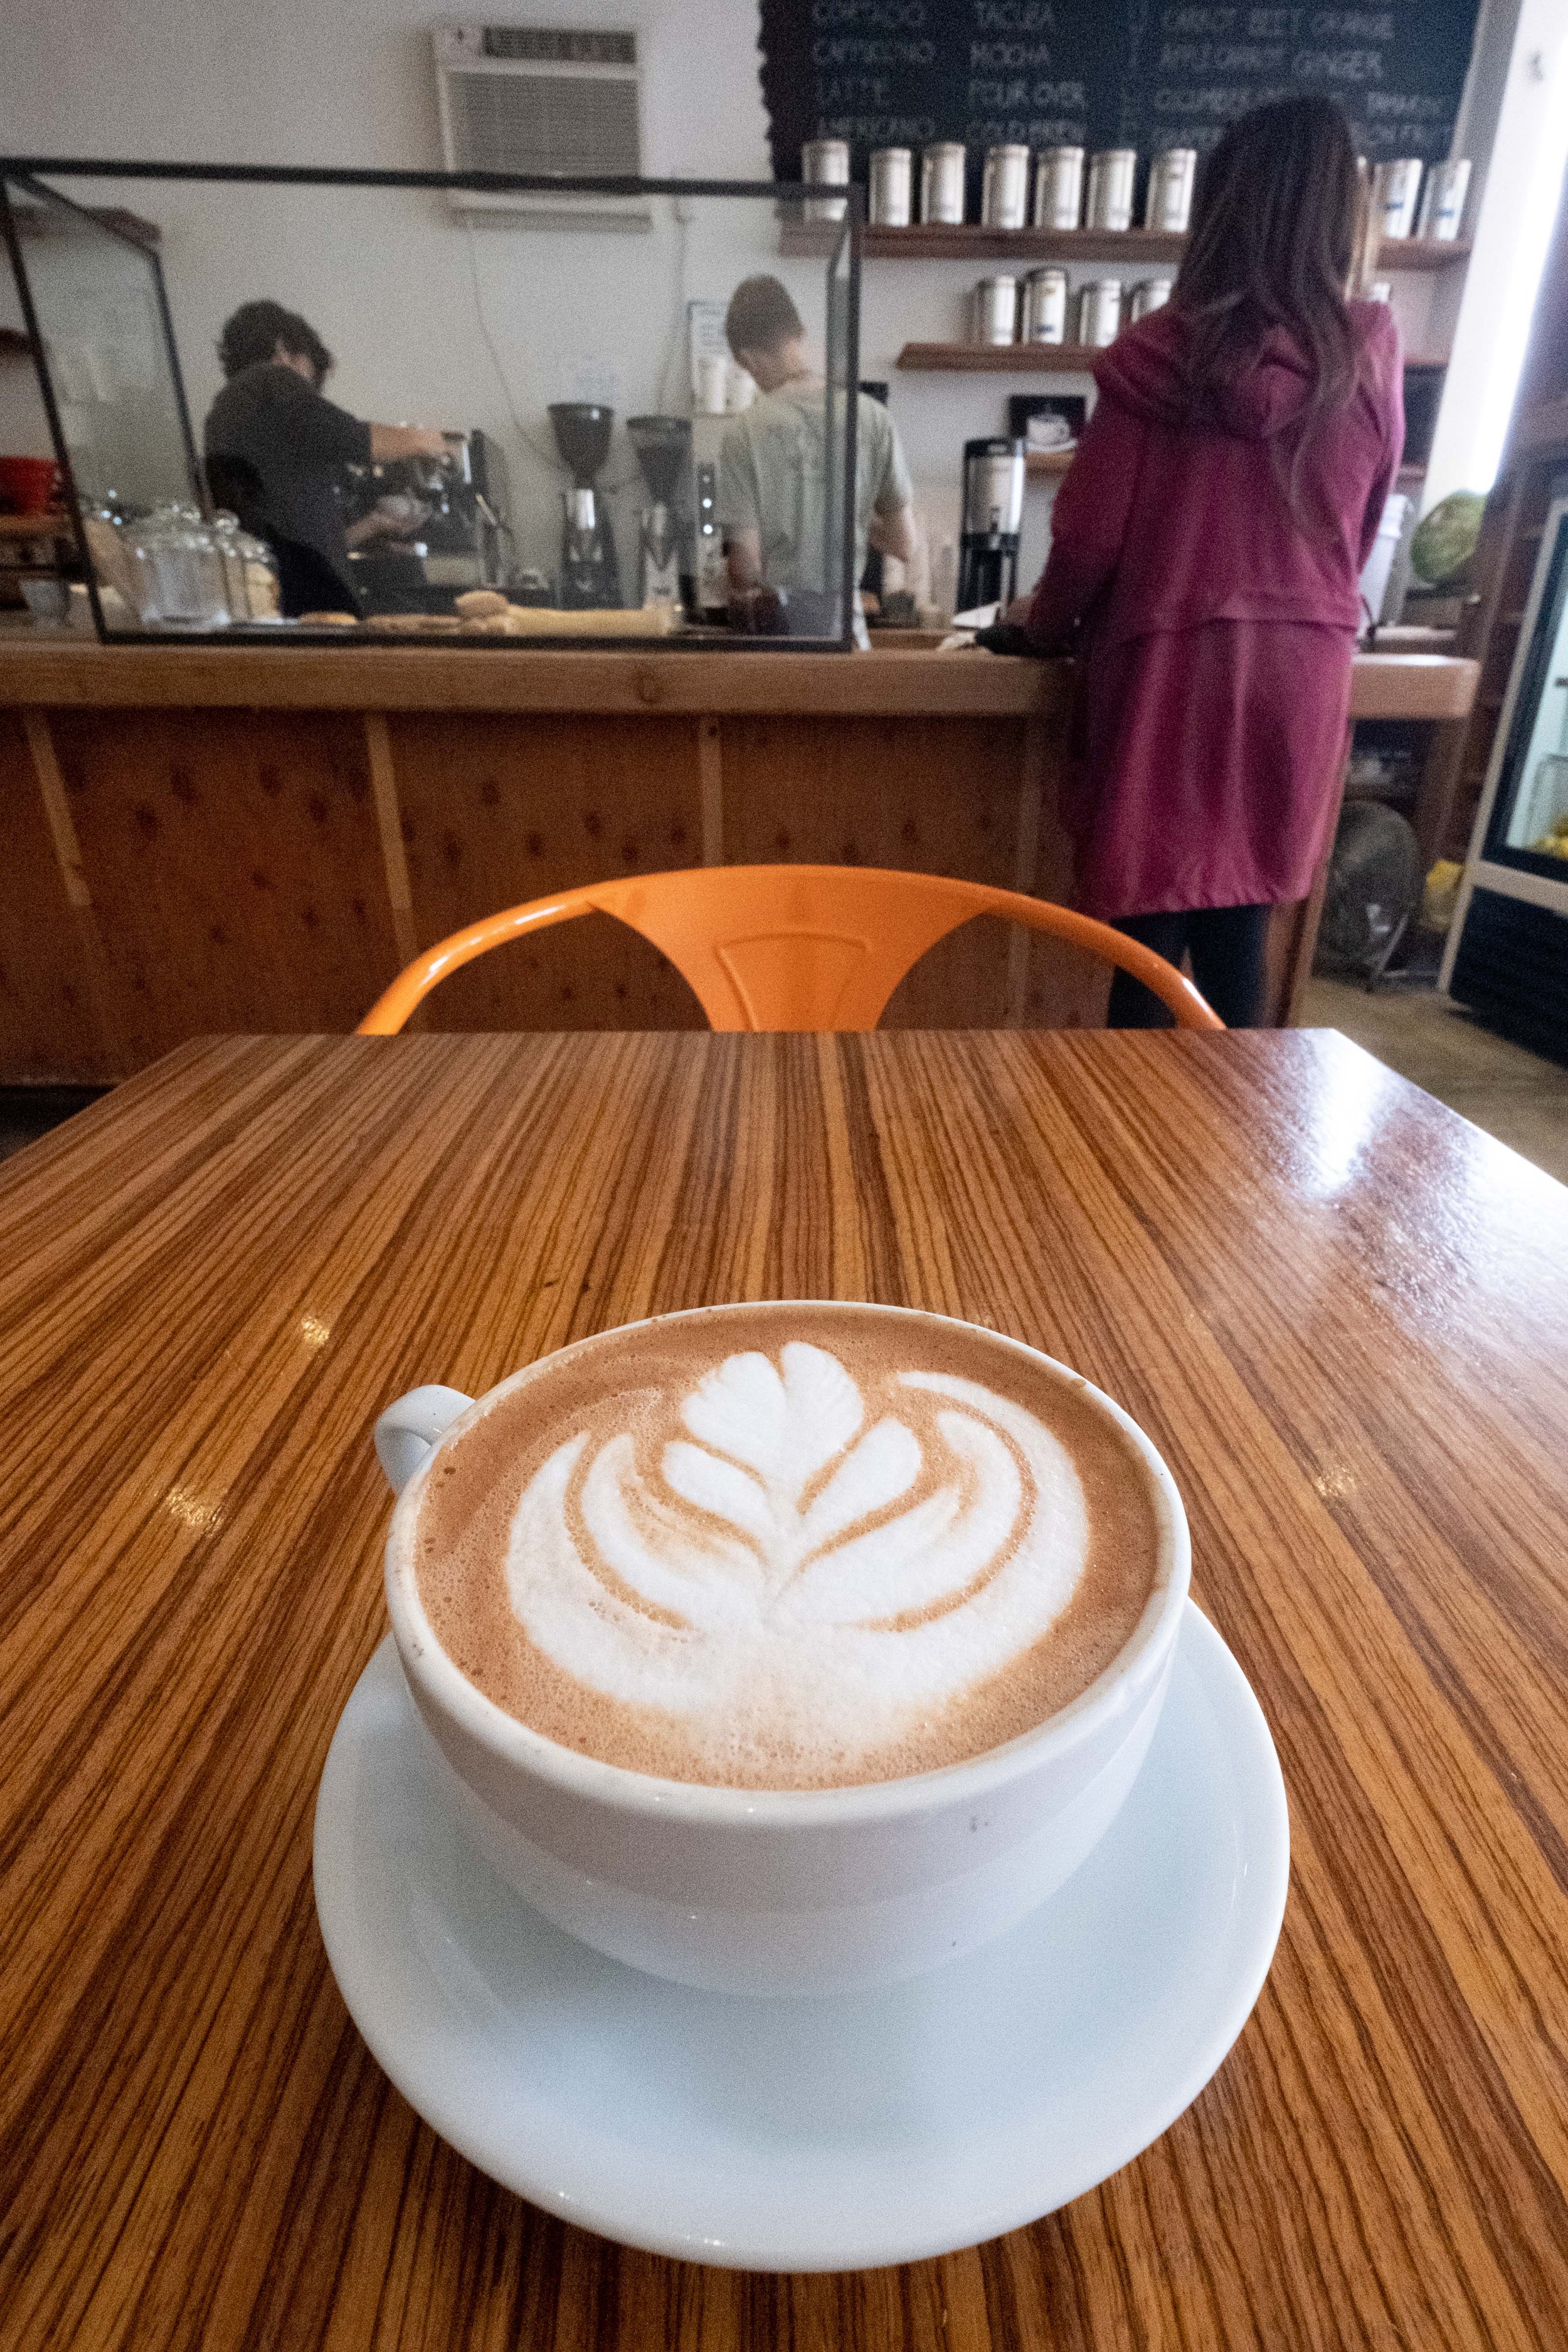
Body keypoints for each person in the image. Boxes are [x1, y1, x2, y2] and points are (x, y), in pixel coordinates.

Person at [1011, 97, 1403, 1026]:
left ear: (1217, 211)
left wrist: (1039, 628)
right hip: (1303, 675)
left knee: (1143, 949)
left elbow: (1091, 543)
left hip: (1171, 677)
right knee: (1241, 936)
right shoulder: (1367, 355)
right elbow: (1365, 523)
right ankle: (1236, 1162)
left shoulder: (1154, 360)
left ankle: (1126, 1160)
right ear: (1338, 211)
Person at [203, 301, 448, 615]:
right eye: (312, 374)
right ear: (283, 351)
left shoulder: (227, 413)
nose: (313, 393)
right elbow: (353, 438)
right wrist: (429, 440)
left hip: (274, 596)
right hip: (306, 608)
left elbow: (303, 537)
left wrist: (373, 525)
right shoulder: (268, 379)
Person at [719, 275, 916, 646]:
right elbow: (904, 543)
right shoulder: (873, 417)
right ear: (800, 334)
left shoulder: (744, 433)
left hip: (782, 646)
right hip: (846, 639)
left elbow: (746, 567)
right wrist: (849, 515)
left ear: (748, 359)